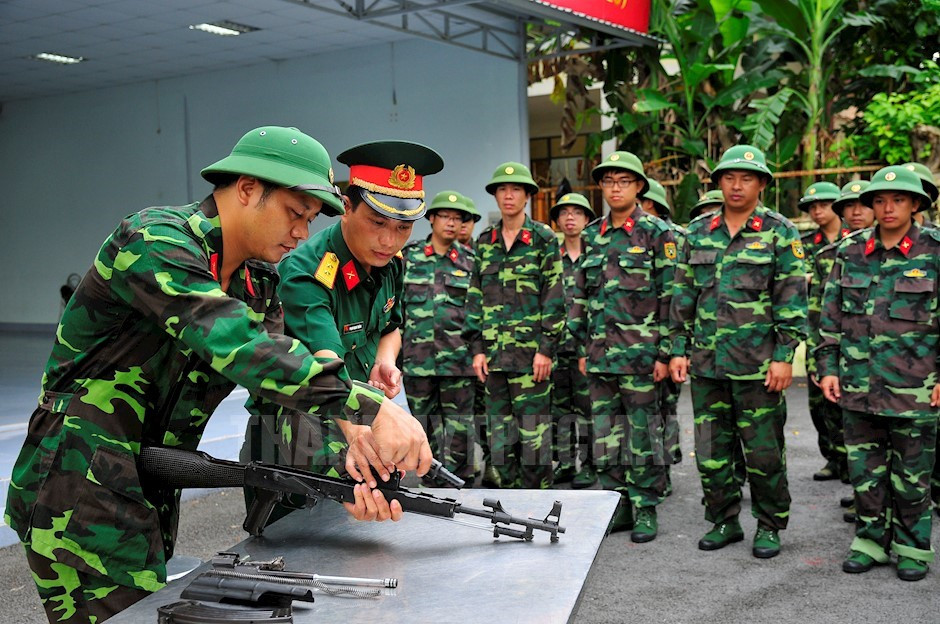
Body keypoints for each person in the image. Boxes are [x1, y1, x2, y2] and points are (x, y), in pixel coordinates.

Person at [4, 126, 431, 624]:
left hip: (151, 482)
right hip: (77, 483)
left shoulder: (257, 281)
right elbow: (239, 344)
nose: (301, 234)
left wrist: (351, 472)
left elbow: (280, 389)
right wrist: (370, 406)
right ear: (247, 188)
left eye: (311, 221)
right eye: (295, 214)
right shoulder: (154, 239)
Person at [242, 140, 443, 489]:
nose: (389, 240)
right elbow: (326, 362)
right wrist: (369, 424)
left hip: (359, 424)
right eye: (378, 222)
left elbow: (391, 327)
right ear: (347, 207)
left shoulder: (389, 264)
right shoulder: (307, 273)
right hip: (297, 440)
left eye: (402, 228)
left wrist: (384, 361)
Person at [669, 145, 807, 559]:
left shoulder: (780, 232)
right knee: (711, 451)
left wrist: (784, 356)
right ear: (718, 183)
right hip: (707, 365)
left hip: (758, 366)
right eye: (729, 177)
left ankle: (769, 524)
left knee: (763, 453)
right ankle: (723, 520)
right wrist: (678, 348)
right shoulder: (697, 232)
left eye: (746, 178)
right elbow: (683, 296)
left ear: (761, 184)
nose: (736, 185)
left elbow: (791, 299)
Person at [817, 165, 940, 581]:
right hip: (858, 384)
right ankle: (870, 541)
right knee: (865, 472)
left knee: (911, 475)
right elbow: (830, 317)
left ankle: (912, 548)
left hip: (915, 388)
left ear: (916, 204)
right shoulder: (850, 252)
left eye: (899, 200)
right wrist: (827, 367)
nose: (888, 208)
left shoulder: (935, 251)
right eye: (881, 201)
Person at [569, 152, 676, 542]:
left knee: (643, 435)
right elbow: (580, 295)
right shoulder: (593, 234)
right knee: (605, 436)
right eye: (609, 180)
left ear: (638, 188)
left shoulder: (656, 233)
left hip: (642, 358)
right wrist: (580, 347)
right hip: (599, 357)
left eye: (623, 181)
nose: (615, 187)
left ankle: (645, 506)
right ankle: (617, 506)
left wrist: (666, 353)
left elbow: (670, 297)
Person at [464, 162, 565, 489]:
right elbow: (475, 295)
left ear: (527, 196)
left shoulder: (543, 238)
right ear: (495, 195)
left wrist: (546, 350)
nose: (508, 195)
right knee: (500, 439)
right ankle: (510, 505)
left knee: (534, 439)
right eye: (503, 190)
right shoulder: (485, 241)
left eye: (516, 190)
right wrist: (477, 350)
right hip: (494, 360)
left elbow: (554, 295)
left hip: (531, 360)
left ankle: (539, 504)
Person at [807, 180, 874, 522]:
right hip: (841, 350)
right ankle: (854, 483)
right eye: (849, 206)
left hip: (895, 363)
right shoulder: (828, 253)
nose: (856, 212)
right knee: (841, 419)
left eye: (861, 204)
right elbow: (823, 308)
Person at [400, 191, 477, 483]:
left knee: (460, 428)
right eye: (445, 216)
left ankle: (462, 483)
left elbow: (479, 310)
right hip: (418, 361)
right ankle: (431, 483)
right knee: (423, 427)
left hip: (459, 361)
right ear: (431, 218)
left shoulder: (471, 261)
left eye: (458, 218)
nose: (451, 223)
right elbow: (396, 309)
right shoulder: (409, 257)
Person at [798, 181, 851, 482]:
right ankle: (832, 457)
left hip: (848, 330)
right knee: (818, 401)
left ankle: (850, 461)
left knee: (847, 399)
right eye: (812, 206)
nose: (817, 211)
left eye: (823, 204)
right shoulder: (804, 244)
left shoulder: (853, 240)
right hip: (816, 330)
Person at [639, 179, 686, 490]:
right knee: (659, 410)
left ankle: (664, 467)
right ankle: (660, 468)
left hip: (667, 336)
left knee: (665, 409)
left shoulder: (674, 237)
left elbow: (676, 293)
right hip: (648, 340)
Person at [547, 192, 595, 487]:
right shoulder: (552, 257)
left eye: (577, 212)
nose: (570, 218)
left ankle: (589, 465)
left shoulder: (597, 255)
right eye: (564, 213)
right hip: (555, 346)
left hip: (586, 349)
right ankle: (565, 461)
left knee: (588, 409)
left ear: (587, 219)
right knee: (559, 409)